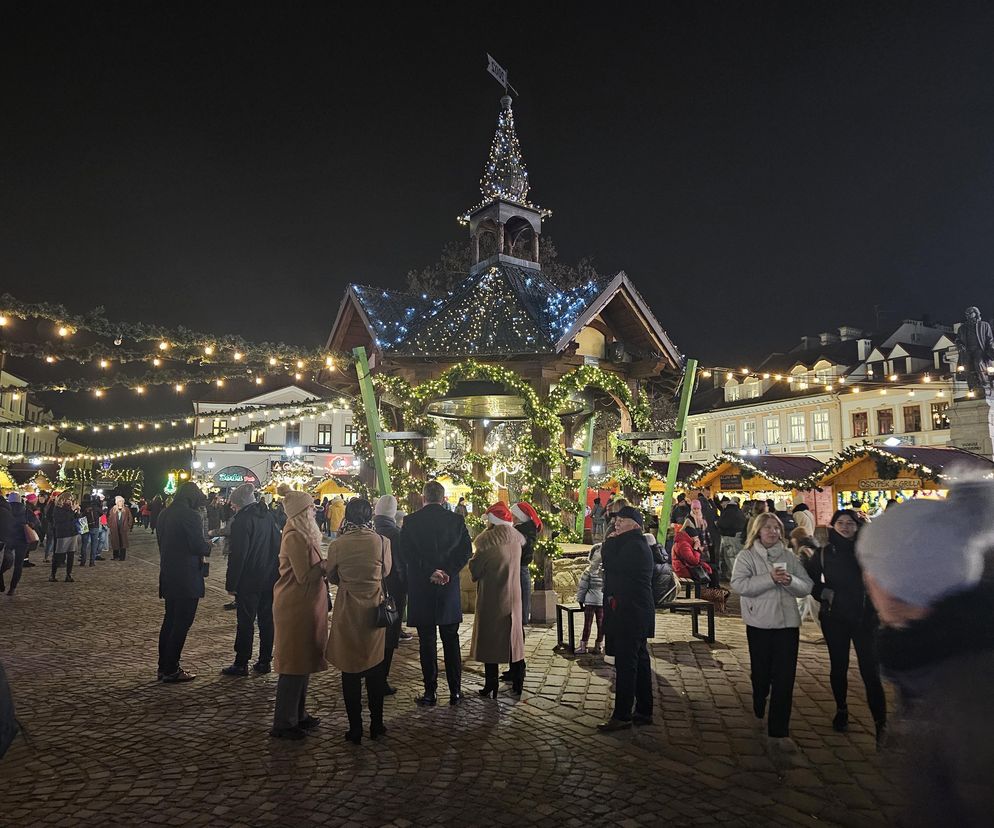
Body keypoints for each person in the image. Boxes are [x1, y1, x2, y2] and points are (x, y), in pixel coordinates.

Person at [856, 477, 994, 825]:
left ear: (891, 583)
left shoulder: (965, 692)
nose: (867, 580)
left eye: (870, 568)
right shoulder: (936, 658)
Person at [731, 512, 812, 759]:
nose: (773, 532)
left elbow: (806, 585)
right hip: (760, 624)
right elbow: (739, 585)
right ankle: (759, 698)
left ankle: (779, 730)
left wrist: (789, 581)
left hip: (787, 625)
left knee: (785, 679)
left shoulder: (788, 556)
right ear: (757, 531)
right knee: (762, 673)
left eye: (776, 528)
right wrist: (769, 579)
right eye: (767, 528)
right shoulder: (746, 557)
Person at [803, 508, 886, 741]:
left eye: (850, 523)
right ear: (833, 525)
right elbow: (808, 580)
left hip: (864, 618)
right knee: (838, 666)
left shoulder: (868, 552)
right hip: (835, 617)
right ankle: (841, 709)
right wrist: (822, 592)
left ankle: (881, 722)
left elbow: (883, 578)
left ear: (858, 526)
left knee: (870, 670)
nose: (846, 526)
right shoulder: (824, 553)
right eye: (841, 522)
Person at [401, 480, 472, 707]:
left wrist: (430, 571)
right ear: (443, 499)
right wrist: (447, 571)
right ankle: (456, 691)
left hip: (422, 589)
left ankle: (430, 691)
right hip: (448, 588)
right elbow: (466, 551)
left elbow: (407, 554)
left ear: (424, 498)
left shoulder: (410, 522)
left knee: (427, 642)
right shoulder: (456, 521)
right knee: (451, 641)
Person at [325, 497, 391, 744]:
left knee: (350, 670)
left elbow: (331, 575)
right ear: (369, 516)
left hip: (348, 610)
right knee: (375, 668)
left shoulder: (338, 544)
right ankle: (377, 723)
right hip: (374, 610)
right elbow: (386, 572)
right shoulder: (382, 542)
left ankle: (355, 728)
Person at [271, 490, 329, 740]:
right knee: (293, 663)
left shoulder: (305, 535)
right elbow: (304, 575)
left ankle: (299, 713)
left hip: (306, 605)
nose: (315, 511)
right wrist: (327, 565)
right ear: (301, 513)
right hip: (295, 605)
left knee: (303, 660)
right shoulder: (295, 536)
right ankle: (284, 722)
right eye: (311, 508)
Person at [598, 506, 655, 731]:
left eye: (622, 520)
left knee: (627, 664)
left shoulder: (633, 546)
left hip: (630, 612)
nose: (617, 523)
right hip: (635, 611)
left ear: (635, 524)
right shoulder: (631, 543)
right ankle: (643, 710)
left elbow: (613, 565)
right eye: (617, 520)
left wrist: (608, 543)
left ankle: (622, 715)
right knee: (639, 661)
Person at [221, 483, 280, 677]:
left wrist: (232, 583)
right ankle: (264, 661)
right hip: (268, 578)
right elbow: (277, 547)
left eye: (234, 503)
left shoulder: (242, 521)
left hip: (248, 580)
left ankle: (241, 662)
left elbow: (238, 555)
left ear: (240, 503)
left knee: (245, 621)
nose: (232, 507)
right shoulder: (268, 517)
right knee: (267, 621)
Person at [156, 482, 211, 683]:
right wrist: (208, 546)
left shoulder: (165, 513)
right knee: (182, 623)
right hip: (186, 577)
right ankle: (171, 668)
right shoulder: (190, 515)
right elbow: (197, 545)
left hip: (169, 573)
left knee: (169, 621)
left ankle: (163, 666)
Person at [471, 503, 526, 698]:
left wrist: (472, 561)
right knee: (514, 639)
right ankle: (519, 680)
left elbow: (476, 570)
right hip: (514, 596)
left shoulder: (486, 542)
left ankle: (491, 683)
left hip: (493, 597)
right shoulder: (516, 540)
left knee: (490, 641)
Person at [372, 494, 405, 695]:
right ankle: (381, 679)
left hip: (370, 591)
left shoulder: (368, 530)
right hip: (393, 592)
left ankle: (365, 674)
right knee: (389, 636)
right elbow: (401, 566)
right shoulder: (397, 534)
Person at [510, 500, 540, 626]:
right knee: (522, 594)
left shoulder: (521, 531)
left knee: (520, 595)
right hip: (520, 566)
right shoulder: (525, 529)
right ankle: (522, 618)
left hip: (519, 566)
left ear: (519, 517)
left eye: (514, 515)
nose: (511, 517)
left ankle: (521, 619)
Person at [1, 493, 38, 596]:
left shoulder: (5, 510)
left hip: (8, 539)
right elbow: (36, 522)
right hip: (22, 540)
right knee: (18, 565)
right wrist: (31, 525)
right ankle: (12, 588)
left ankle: (1, 581)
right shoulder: (26, 510)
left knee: (4, 562)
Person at [575, 544, 604, 654]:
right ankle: (599, 645)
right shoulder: (604, 571)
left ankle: (583, 646)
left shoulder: (588, 571)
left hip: (590, 601)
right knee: (601, 624)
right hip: (601, 601)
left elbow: (583, 587)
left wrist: (580, 600)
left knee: (587, 624)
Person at [50, 491, 80, 583]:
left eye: (71, 499)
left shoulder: (71, 508)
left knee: (71, 554)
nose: (70, 501)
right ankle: (53, 574)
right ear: (63, 499)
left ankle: (68, 575)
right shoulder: (58, 508)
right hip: (62, 533)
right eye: (68, 499)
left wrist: (77, 512)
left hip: (72, 533)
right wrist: (72, 511)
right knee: (58, 555)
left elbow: (74, 519)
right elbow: (63, 519)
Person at [716, 496, 747, 582]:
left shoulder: (727, 512)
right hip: (739, 537)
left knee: (730, 557)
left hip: (729, 537)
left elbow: (722, 524)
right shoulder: (739, 512)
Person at [107, 495, 134, 561]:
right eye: (119, 501)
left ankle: (122, 557)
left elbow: (130, 518)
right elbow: (109, 518)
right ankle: (115, 556)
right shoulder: (113, 509)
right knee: (115, 542)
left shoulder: (126, 509)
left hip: (123, 528)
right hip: (115, 528)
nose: (120, 502)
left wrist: (128, 526)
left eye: (121, 501)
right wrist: (110, 525)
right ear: (116, 502)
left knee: (123, 543)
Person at [79, 495, 103, 567]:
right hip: (94, 526)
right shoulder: (96, 507)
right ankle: (92, 562)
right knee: (94, 544)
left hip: (84, 525)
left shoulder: (83, 506)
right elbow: (102, 514)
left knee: (84, 544)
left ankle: (83, 561)